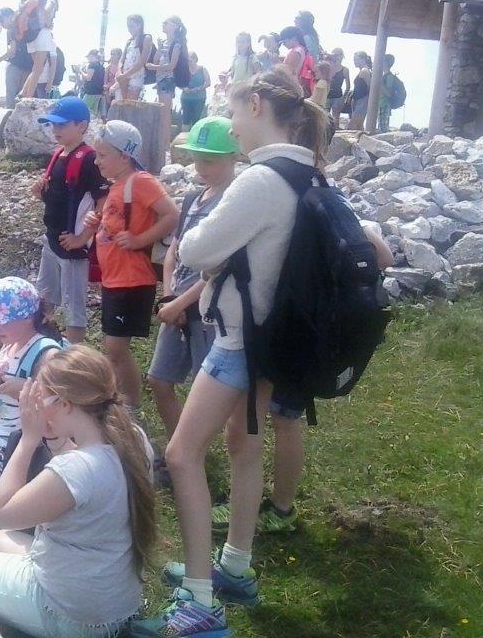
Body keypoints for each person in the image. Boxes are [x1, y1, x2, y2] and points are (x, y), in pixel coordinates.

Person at [133, 67, 329, 638]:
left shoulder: (259, 180)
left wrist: (215, 251)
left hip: (240, 340)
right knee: (244, 446)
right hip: (276, 341)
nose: (234, 124)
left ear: (258, 105)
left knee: (181, 455)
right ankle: (236, 569)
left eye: (236, 111)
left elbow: (195, 248)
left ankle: (198, 601)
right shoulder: (310, 172)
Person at [0, 345, 156, 638]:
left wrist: (28, 440)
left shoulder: (77, 467)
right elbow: (79, 492)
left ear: (64, 403)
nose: (35, 406)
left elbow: (0, 514)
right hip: (112, 603)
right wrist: (54, 440)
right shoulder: (132, 440)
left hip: (72, 616)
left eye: (40, 397)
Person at [207, 223, 393, 536]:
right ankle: (274, 506)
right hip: (309, 329)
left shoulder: (296, 205)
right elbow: (385, 257)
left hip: (284, 327)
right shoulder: (334, 210)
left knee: (264, 422)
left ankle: (265, 508)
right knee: (282, 420)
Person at [146, 117, 238, 438]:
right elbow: (174, 250)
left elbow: (220, 268)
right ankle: (180, 443)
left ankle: (193, 450)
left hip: (207, 310)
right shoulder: (191, 199)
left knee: (207, 387)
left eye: (209, 160)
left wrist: (181, 303)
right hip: (177, 305)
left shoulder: (233, 204)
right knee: (159, 379)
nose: (200, 167)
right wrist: (169, 296)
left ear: (233, 157)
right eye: (197, 159)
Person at [86, 120, 178, 406]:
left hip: (132, 278)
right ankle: (121, 400)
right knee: (113, 346)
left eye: (103, 155)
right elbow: (118, 222)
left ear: (124, 156)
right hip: (115, 278)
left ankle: (130, 403)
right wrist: (97, 222)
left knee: (115, 346)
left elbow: (172, 215)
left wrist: (140, 240)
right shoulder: (119, 185)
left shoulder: (141, 182)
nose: (97, 161)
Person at [29, 96, 109, 344]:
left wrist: (83, 238)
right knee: (44, 299)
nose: (55, 129)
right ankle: (43, 346)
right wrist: (39, 192)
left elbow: (103, 201)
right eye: (53, 124)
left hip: (72, 247)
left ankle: (73, 355)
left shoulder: (89, 159)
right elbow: (57, 199)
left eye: (62, 125)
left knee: (74, 310)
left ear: (82, 126)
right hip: (51, 239)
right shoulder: (58, 155)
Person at [0, 276, 63, 448]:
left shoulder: (45, 352)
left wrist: (23, 389)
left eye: (2, 322)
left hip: (20, 442)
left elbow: (55, 402)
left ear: (27, 319)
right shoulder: (9, 346)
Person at [147, 16, 188, 147]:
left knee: (165, 113)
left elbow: (171, 66)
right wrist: (159, 48)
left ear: (175, 26)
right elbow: (155, 59)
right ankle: (163, 143)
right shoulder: (164, 42)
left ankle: (165, 145)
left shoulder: (177, 43)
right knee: (163, 112)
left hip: (168, 79)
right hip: (161, 80)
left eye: (166, 23)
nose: (163, 24)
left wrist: (154, 67)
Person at [20, 0, 61, 99]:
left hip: (30, 34)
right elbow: (47, 11)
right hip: (42, 34)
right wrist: (47, 22)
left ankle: (22, 94)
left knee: (36, 68)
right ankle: (27, 99)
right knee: (38, 69)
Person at [115, 15, 153, 102]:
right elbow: (122, 59)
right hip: (123, 75)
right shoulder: (129, 41)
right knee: (123, 102)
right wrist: (120, 72)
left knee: (130, 103)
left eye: (132, 26)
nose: (129, 29)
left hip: (136, 75)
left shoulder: (146, 38)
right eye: (128, 26)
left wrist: (126, 75)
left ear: (139, 25)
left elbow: (142, 61)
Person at [0, 8, 31, 108]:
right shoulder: (26, 23)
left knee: (11, 100)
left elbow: (12, 51)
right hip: (29, 67)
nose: (2, 25)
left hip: (15, 67)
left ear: (8, 17)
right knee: (23, 101)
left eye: (2, 21)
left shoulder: (11, 29)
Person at [279, 26, 315, 95]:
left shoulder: (295, 51)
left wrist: (276, 62)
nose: (283, 44)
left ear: (294, 38)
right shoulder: (301, 49)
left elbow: (288, 72)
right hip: (295, 86)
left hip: (291, 86)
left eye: (284, 41)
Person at [179, 53, 210, 129]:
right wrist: (184, 88)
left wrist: (198, 89)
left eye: (190, 60)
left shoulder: (202, 69)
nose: (189, 63)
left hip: (199, 98)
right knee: (185, 118)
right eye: (187, 61)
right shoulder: (184, 70)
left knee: (196, 118)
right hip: (186, 97)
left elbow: (208, 82)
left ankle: (194, 134)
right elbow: (179, 82)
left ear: (195, 59)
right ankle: (184, 135)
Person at [349, 51, 373, 131]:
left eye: (356, 59)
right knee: (359, 125)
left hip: (362, 100)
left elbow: (370, 87)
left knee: (354, 124)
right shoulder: (362, 70)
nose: (354, 61)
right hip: (358, 99)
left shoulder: (364, 71)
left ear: (363, 59)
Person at [327, 48, 350, 125]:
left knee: (336, 116)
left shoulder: (345, 69)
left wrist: (343, 97)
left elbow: (348, 85)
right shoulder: (328, 67)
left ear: (342, 56)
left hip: (337, 96)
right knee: (325, 115)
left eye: (338, 55)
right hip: (327, 95)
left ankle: (335, 130)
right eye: (335, 55)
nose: (336, 57)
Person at [80, 49, 105, 114]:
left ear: (92, 56)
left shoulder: (92, 65)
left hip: (90, 92)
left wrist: (81, 71)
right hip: (98, 92)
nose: (88, 59)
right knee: (93, 112)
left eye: (89, 57)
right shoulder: (100, 66)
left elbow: (88, 78)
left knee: (83, 110)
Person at [378, 53, 397, 131]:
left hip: (384, 106)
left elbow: (389, 93)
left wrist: (380, 83)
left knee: (383, 129)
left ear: (385, 63)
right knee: (381, 128)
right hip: (382, 105)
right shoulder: (385, 76)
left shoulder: (389, 76)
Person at [103, 47, 122, 114]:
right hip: (110, 92)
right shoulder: (108, 67)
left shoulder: (121, 66)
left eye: (114, 54)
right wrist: (106, 93)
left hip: (119, 91)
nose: (112, 56)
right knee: (109, 111)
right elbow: (105, 82)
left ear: (119, 55)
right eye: (111, 54)